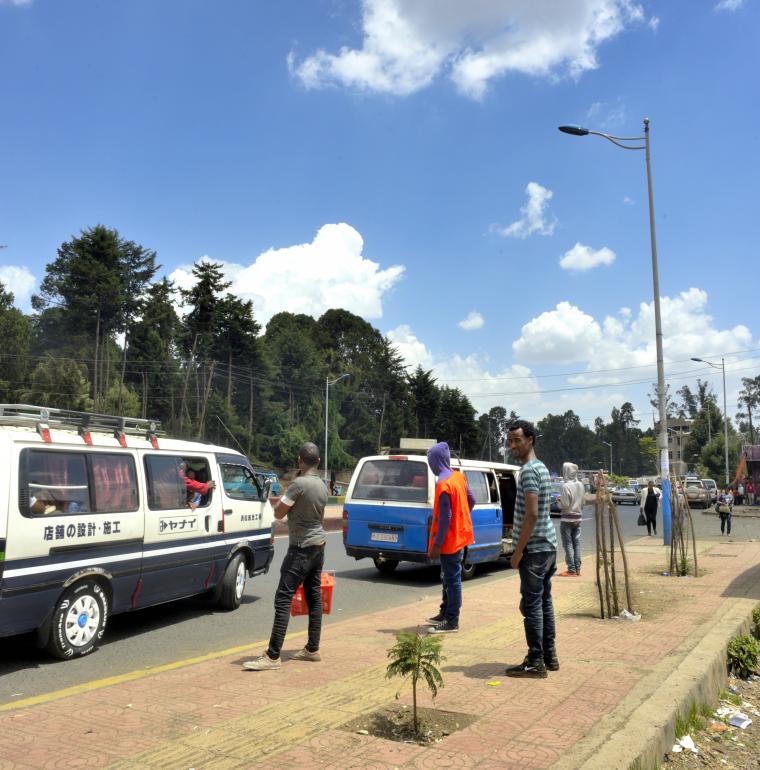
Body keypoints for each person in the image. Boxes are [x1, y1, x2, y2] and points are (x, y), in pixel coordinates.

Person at [243, 442, 328, 671]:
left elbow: (279, 512)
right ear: (318, 462)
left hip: (300, 548)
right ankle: (312, 648)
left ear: (300, 460)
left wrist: (286, 494)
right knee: (314, 596)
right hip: (318, 546)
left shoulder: (298, 484)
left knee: (283, 598)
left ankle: (272, 655)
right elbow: (320, 518)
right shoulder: (322, 485)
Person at [505, 419, 558, 678]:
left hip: (535, 550)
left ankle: (535, 661)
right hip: (548, 546)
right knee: (544, 602)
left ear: (530, 440)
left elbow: (533, 514)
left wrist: (517, 552)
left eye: (517, 440)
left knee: (532, 605)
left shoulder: (527, 471)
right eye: (510, 441)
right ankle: (549, 655)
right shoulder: (542, 467)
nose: (513, 445)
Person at [424, 442, 475, 634]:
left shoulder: (443, 484)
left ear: (436, 461)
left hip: (449, 541)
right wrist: (462, 518)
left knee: (452, 579)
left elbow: (445, 517)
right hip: (460, 536)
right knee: (447, 577)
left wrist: (437, 544)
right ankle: (445, 612)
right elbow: (472, 500)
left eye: (430, 461)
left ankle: (452, 621)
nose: (430, 465)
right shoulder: (458, 477)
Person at [558, 462, 584, 577]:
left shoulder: (565, 486)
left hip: (567, 519)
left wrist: (559, 502)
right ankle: (578, 568)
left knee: (568, 544)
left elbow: (565, 504)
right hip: (578, 518)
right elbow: (583, 502)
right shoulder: (580, 485)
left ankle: (571, 569)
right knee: (577, 543)